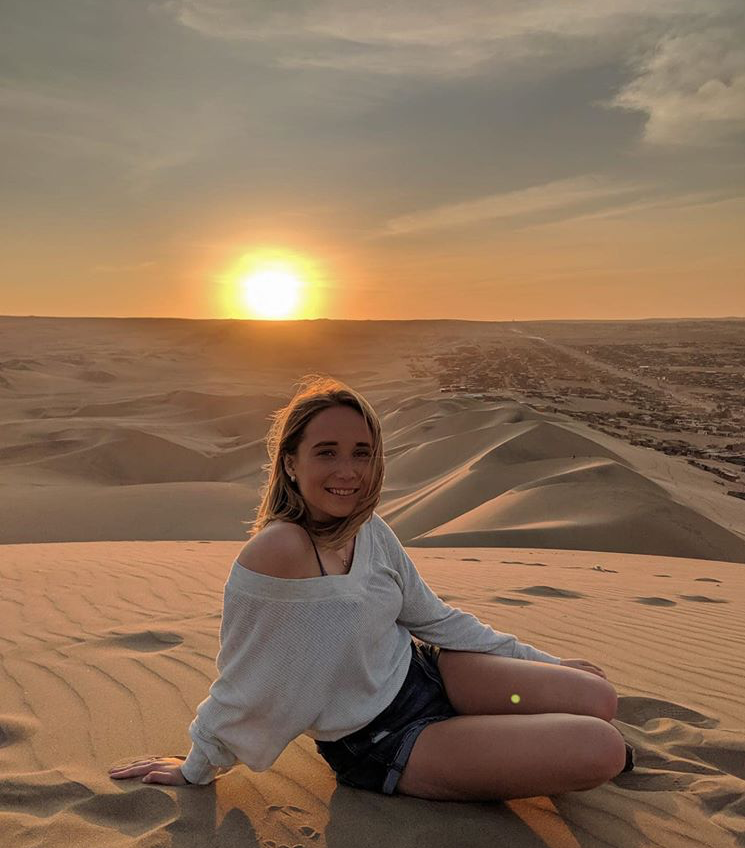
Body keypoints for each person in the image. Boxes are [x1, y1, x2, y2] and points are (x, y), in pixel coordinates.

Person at [109, 375, 633, 801]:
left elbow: (436, 619)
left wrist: (544, 664)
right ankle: (515, 743)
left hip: (429, 672)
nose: (347, 471)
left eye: (362, 453)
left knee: (595, 693)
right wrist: (198, 764)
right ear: (290, 464)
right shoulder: (279, 552)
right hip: (385, 739)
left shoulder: (369, 529)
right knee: (601, 748)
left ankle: (511, 728)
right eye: (327, 452)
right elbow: (246, 677)